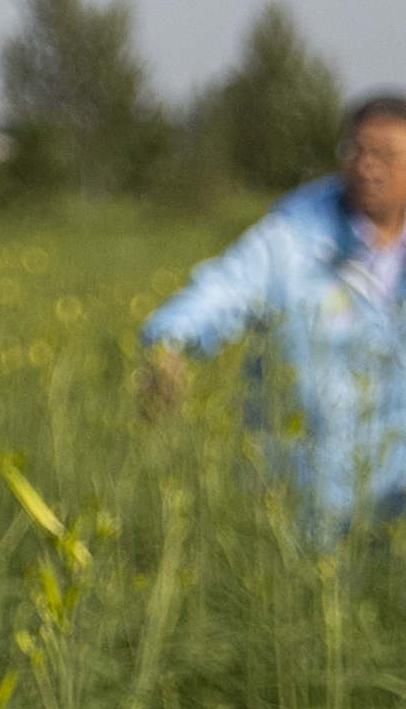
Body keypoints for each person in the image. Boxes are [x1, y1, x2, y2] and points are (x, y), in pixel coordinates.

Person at [143, 86, 406, 532]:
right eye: (356, 151)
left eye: (385, 155)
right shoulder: (295, 234)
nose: (367, 168)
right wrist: (170, 343)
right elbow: (223, 287)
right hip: (303, 496)